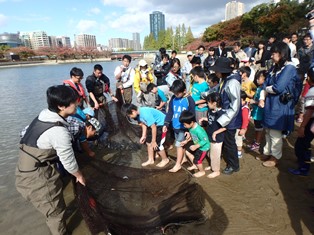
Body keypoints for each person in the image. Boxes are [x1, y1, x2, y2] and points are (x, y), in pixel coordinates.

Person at [15, 85, 86, 235]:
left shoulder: (44, 114)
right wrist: (79, 176)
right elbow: (68, 162)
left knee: (53, 205)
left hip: (25, 168)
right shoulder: (58, 131)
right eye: (74, 102)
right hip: (35, 176)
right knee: (55, 212)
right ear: (61, 106)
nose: (78, 103)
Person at [257, 42, 302, 167]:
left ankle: (275, 156)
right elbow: (266, 84)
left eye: (274, 53)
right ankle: (267, 152)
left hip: (280, 103)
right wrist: (265, 92)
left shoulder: (289, 68)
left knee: (275, 132)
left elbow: (278, 88)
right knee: (268, 130)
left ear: (282, 54)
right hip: (271, 102)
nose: (271, 56)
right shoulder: (274, 67)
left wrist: (267, 89)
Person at [209, 57, 242, 175]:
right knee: (227, 141)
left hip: (230, 118)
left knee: (229, 142)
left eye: (217, 71)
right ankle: (230, 161)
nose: (215, 73)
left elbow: (235, 104)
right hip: (226, 116)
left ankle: (233, 165)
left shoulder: (233, 82)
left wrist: (225, 119)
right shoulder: (225, 79)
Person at [163, 80, 195, 172]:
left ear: (184, 91)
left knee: (179, 145)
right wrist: (166, 123)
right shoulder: (173, 98)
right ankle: (183, 158)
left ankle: (178, 164)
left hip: (184, 127)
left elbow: (192, 115)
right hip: (175, 126)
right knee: (179, 143)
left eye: (178, 93)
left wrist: (188, 129)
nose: (176, 95)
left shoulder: (189, 100)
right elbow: (170, 112)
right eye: (175, 93)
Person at [288, 64, 314, 176]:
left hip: (310, 122)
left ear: (309, 78)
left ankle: (303, 167)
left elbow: (309, 112)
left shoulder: (311, 92)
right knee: (305, 145)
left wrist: (302, 127)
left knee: (301, 145)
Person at [199, 92, 226, 178]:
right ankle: (212, 165)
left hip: (217, 137)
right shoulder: (211, 110)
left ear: (214, 103)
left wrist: (215, 132)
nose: (207, 104)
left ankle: (216, 170)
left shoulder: (221, 113)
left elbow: (225, 127)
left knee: (215, 154)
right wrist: (205, 119)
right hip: (209, 135)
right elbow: (212, 120)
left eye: (208, 102)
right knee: (209, 153)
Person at [179, 110, 210, 178]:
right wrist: (186, 141)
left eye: (185, 124)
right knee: (187, 152)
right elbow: (193, 136)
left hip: (203, 147)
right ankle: (195, 165)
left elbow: (205, 140)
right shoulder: (191, 127)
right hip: (197, 144)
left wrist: (196, 146)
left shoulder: (199, 130)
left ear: (191, 122)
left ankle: (202, 171)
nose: (184, 126)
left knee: (198, 160)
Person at [248, 70, 267, 151]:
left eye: (259, 78)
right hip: (256, 111)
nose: (257, 80)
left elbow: (262, 102)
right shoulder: (259, 88)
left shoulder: (264, 89)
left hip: (260, 112)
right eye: (257, 78)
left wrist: (253, 102)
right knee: (256, 127)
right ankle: (256, 141)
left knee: (259, 128)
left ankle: (257, 143)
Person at [235, 91, 250, 159]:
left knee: (239, 140)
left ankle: (239, 153)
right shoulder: (242, 106)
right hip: (238, 125)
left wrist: (243, 128)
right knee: (237, 139)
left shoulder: (244, 109)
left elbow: (245, 120)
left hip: (240, 127)